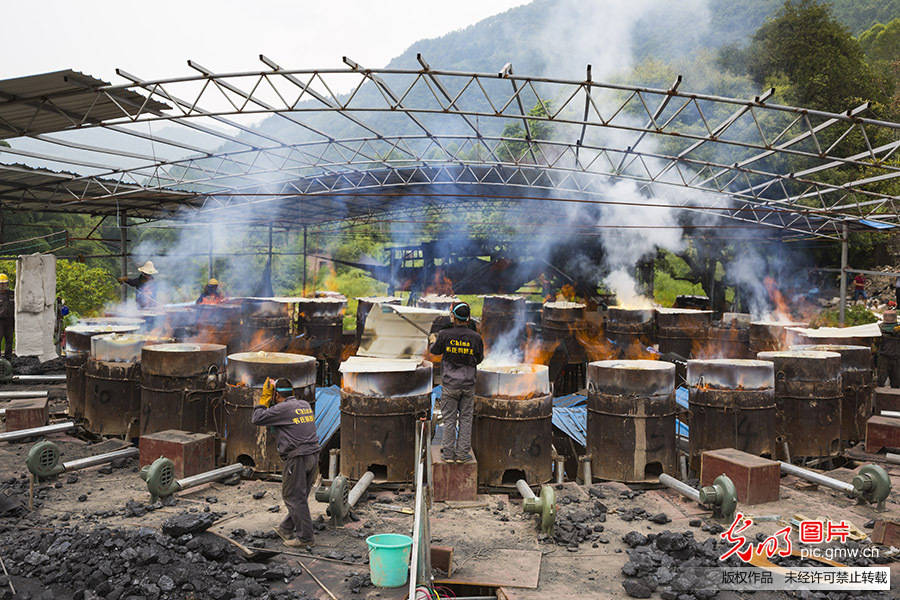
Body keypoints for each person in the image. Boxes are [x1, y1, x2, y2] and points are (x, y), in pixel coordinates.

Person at [251, 377, 319, 548]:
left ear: (275, 395)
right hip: (313, 456)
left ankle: (305, 538)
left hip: (298, 458)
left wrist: (263, 399)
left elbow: (257, 418)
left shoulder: (282, 408)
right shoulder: (304, 405)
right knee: (300, 496)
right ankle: (286, 528)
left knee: (293, 497)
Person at [428, 302, 484, 463]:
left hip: (450, 385)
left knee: (449, 419)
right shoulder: (476, 337)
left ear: (453, 317)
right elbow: (479, 359)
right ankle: (461, 455)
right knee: (466, 419)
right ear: (468, 318)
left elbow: (434, 351)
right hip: (468, 385)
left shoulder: (445, 334)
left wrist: (433, 340)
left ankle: (448, 454)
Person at [0, 274, 14, 361]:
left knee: (9, 340)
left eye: (4, 283)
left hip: (10, 320)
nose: (2, 285)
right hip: (0, 321)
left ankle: (8, 359)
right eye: (1, 284)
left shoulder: (12, 294)